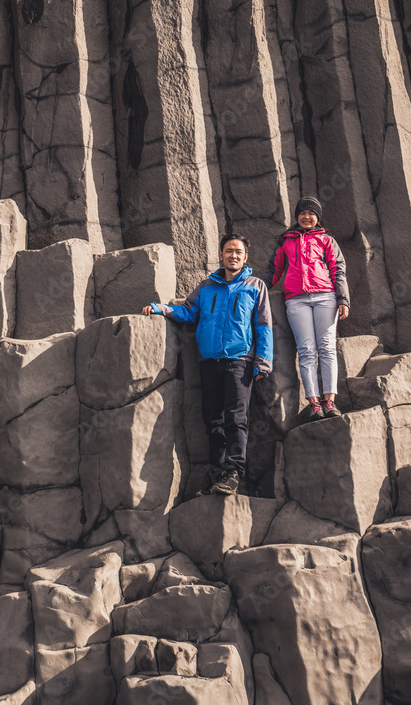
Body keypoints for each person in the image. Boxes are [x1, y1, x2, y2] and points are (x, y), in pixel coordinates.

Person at [142, 234, 273, 497]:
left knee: (236, 419)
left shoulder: (255, 285)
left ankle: (234, 473)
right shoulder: (206, 286)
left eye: (238, 252)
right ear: (221, 255)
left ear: (245, 257)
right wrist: (161, 308)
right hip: (209, 362)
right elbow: (188, 312)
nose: (233, 255)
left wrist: (263, 361)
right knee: (212, 420)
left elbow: (264, 325)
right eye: (228, 251)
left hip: (240, 362)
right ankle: (217, 475)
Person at [262, 197, 349, 421]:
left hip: (325, 298)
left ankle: (330, 401)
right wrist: (255, 288)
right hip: (296, 301)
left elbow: (338, 269)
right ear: (297, 216)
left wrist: (343, 299)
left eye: (312, 213)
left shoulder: (327, 240)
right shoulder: (286, 241)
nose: (307, 216)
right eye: (303, 213)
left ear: (318, 218)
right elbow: (274, 271)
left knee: (327, 348)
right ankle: (314, 403)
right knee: (307, 350)